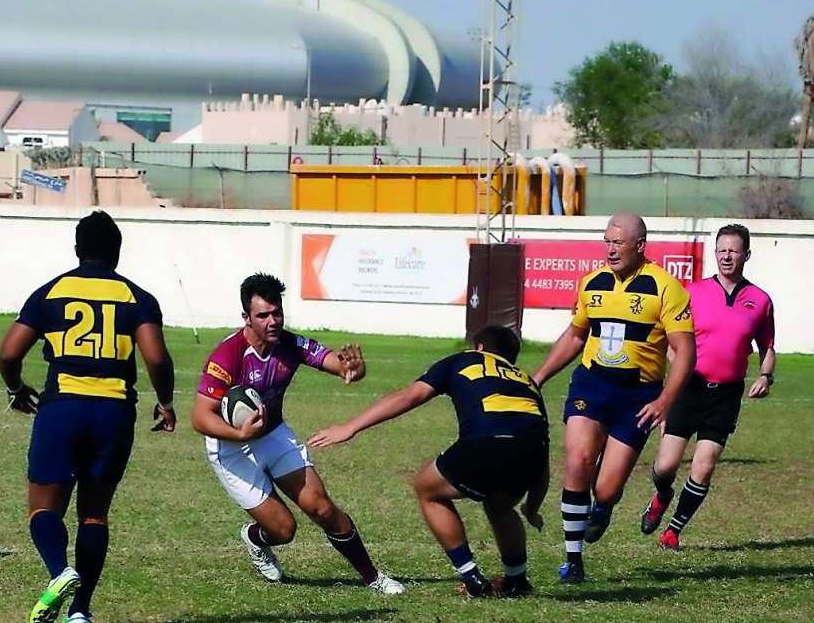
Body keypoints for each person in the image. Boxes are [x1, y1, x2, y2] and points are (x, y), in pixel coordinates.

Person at [0, 210, 176, 623]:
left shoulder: (51, 292)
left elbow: (8, 353)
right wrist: (166, 401)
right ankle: (80, 611)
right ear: (117, 252)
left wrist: (15, 389)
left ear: (77, 249)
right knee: (94, 515)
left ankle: (59, 571)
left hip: (62, 409)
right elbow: (155, 358)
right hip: (113, 413)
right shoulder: (137, 297)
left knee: (43, 508)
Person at [190, 272, 405, 595]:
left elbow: (335, 362)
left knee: (322, 508)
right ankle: (255, 537)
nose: (273, 321)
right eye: (263, 315)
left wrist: (353, 370)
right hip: (232, 448)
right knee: (283, 529)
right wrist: (238, 434)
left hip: (274, 435)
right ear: (246, 318)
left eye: (277, 312)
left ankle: (373, 577)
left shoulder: (290, 344)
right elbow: (199, 417)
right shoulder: (228, 356)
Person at [309, 324, 549, 598]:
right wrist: (532, 507)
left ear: (479, 348)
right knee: (500, 504)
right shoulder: (527, 380)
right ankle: (517, 581)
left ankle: (471, 578)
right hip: (533, 451)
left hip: (487, 442)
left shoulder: (463, 359)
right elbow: (542, 452)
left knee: (428, 488)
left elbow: (410, 396)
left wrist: (350, 427)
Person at [531, 211, 695, 583]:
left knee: (605, 488)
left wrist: (666, 398)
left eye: (617, 243)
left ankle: (603, 506)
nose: (609, 249)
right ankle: (573, 562)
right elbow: (575, 336)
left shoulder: (666, 288)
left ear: (639, 245)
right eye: (606, 241)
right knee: (577, 462)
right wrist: (538, 377)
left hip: (637, 397)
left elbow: (685, 352)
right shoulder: (592, 283)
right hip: (592, 386)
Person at [640, 223, 776, 550]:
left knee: (704, 466)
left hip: (726, 395)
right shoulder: (691, 292)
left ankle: (673, 531)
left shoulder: (760, 300)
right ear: (715, 254)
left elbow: (768, 346)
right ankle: (661, 496)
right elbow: (666, 337)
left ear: (746, 254)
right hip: (690, 389)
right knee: (666, 466)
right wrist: (679, 367)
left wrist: (764, 376)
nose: (727, 256)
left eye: (733, 250)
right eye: (722, 250)